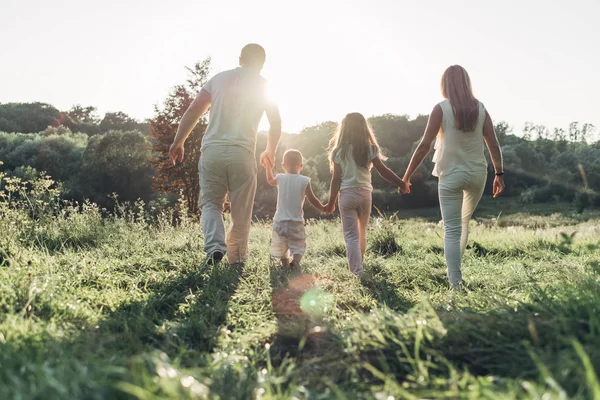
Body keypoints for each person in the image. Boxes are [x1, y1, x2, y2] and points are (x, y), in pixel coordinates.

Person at [169, 44, 281, 265]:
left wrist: (178, 141)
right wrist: (270, 150)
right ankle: (237, 258)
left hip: (212, 151)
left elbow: (193, 110)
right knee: (241, 209)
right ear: (262, 63)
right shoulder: (264, 85)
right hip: (243, 153)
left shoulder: (218, 79)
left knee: (211, 203)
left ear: (240, 59)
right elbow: (275, 122)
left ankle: (214, 247)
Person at [401, 65, 505, 290]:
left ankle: (455, 282)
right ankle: (455, 274)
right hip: (478, 174)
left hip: (451, 175)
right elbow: (493, 144)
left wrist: (406, 176)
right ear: (467, 83)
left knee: (452, 228)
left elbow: (424, 146)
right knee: (463, 223)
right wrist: (499, 173)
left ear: (444, 84)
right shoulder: (481, 108)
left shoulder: (441, 108)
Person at [325, 113, 409, 277]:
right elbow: (383, 171)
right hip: (365, 195)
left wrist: (331, 202)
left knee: (351, 235)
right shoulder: (369, 149)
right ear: (364, 128)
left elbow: (335, 180)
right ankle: (359, 266)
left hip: (347, 195)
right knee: (361, 232)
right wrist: (401, 183)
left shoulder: (338, 152)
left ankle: (357, 271)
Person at [266, 149, 326, 269]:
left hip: (279, 221)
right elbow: (312, 199)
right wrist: (323, 208)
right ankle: (296, 262)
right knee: (299, 244)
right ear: (301, 166)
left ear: (284, 165)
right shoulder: (304, 180)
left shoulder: (280, 178)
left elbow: (269, 180)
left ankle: (285, 264)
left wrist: (267, 166)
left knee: (281, 245)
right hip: (296, 221)